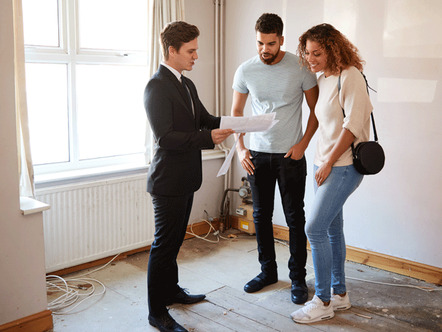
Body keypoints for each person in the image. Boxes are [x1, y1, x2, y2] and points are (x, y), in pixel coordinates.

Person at [144, 21, 234, 332]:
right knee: (164, 245)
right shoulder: (156, 87)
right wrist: (208, 138)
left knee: (175, 242)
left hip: (185, 179)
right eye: (191, 51)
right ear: (172, 50)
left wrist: (240, 122)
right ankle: (157, 312)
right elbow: (166, 138)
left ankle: (172, 291)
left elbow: (205, 119)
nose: (196, 56)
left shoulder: (187, 84)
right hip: (167, 181)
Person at [230, 13, 319, 305]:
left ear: (281, 40)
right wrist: (241, 149)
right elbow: (237, 115)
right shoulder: (245, 70)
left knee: (295, 218)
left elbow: (318, 112)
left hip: (290, 155)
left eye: (270, 43)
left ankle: (297, 280)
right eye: (260, 43)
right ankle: (268, 272)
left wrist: (303, 145)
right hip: (257, 154)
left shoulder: (301, 67)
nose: (264, 49)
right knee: (260, 216)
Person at [290, 23, 373, 324]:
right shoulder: (324, 78)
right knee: (332, 230)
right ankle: (340, 294)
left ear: (333, 50)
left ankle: (322, 300)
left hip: (343, 166)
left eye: (318, 53)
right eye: (308, 53)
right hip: (322, 164)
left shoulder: (350, 76)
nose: (310, 59)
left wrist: (328, 163)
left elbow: (353, 126)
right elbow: (322, 121)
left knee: (314, 229)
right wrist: (313, 155)